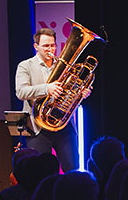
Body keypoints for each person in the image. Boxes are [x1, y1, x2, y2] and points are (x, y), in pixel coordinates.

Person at [15, 28, 90, 173]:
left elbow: (69, 94)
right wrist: (46, 88)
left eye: (53, 45)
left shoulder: (63, 66)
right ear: (36, 46)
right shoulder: (26, 66)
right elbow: (21, 92)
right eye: (46, 46)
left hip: (63, 126)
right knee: (41, 172)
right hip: (38, 127)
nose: (51, 49)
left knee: (73, 169)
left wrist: (80, 93)